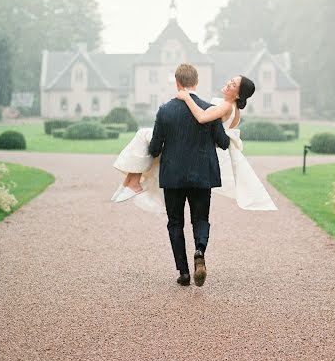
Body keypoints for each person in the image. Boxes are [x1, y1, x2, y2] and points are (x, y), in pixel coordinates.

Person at [111, 64, 278, 285]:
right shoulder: (210, 109)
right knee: (200, 219)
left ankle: (183, 273)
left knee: (175, 223)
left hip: (173, 175)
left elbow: (153, 149)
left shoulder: (165, 109)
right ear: (196, 83)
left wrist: (161, 152)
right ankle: (199, 250)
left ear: (177, 83)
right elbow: (222, 142)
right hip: (202, 174)